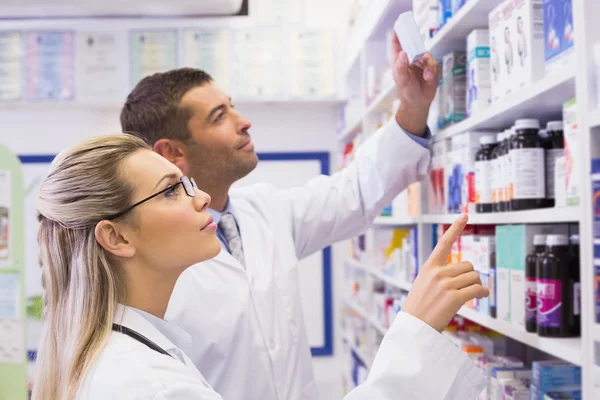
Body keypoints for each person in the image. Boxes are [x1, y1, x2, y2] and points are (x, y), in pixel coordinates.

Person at [120, 36, 463, 400]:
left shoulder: (265, 211)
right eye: (219, 116)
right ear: (172, 152)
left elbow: (356, 191)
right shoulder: (149, 266)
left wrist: (412, 104)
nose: (244, 122)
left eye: (232, 107)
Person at [31, 133, 488, 399]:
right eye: (171, 190)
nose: (202, 199)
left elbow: (350, 195)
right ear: (115, 236)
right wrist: (414, 330)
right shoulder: (147, 385)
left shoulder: (133, 352)